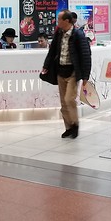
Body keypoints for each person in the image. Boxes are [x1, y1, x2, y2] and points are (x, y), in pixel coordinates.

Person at [41, 9, 92, 139]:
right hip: (60, 71)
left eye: (59, 19)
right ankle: (68, 127)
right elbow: (52, 51)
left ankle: (75, 124)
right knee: (63, 102)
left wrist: (85, 76)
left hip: (73, 73)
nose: (57, 22)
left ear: (67, 21)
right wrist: (46, 66)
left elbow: (86, 56)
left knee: (69, 99)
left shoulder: (78, 35)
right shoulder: (59, 33)